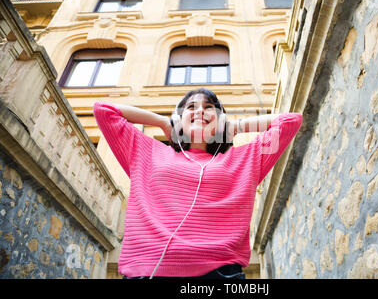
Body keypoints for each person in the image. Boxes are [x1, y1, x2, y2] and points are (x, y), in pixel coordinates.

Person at [93, 88, 302, 279]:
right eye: (191, 107)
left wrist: (235, 127)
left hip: (221, 274)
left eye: (209, 107)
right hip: (146, 270)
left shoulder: (244, 160)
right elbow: (104, 110)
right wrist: (163, 122)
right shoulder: (147, 151)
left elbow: (290, 121)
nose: (200, 111)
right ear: (179, 119)